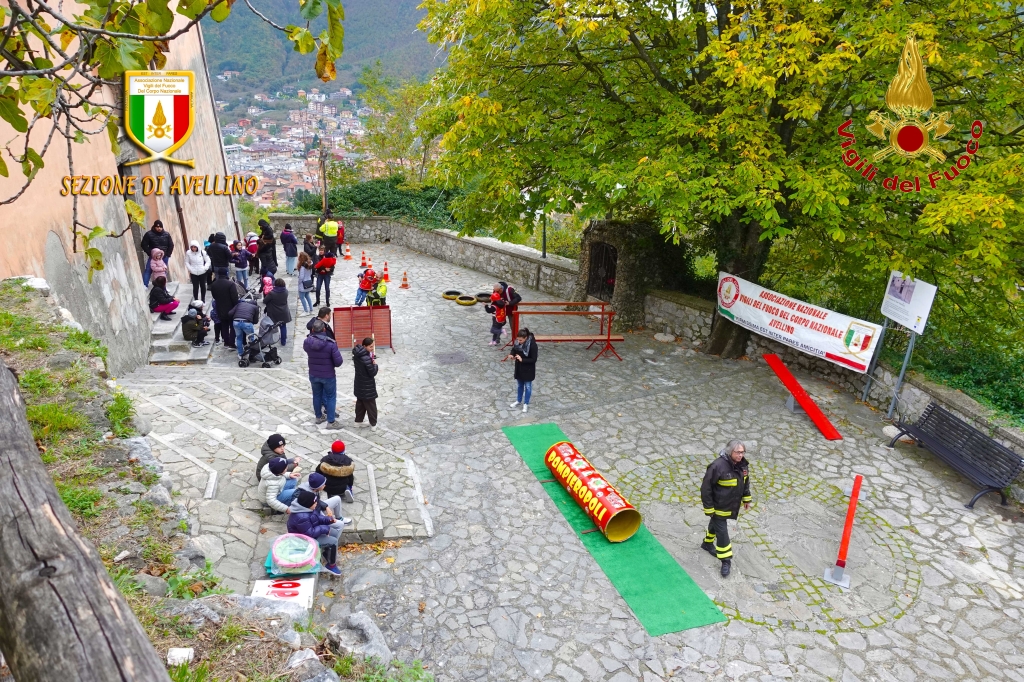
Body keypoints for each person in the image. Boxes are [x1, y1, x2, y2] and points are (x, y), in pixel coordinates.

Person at [700, 440, 752, 578]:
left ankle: (707, 543)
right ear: (730, 452)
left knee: (715, 526)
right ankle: (726, 561)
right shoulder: (717, 466)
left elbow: (745, 483)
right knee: (722, 533)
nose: (741, 455)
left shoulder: (743, 466)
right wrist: (709, 508)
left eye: (742, 452)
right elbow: (706, 488)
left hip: (730, 506)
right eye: (738, 452)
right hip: (717, 507)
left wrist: (747, 498)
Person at [287, 489, 342, 575]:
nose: (317, 504)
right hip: (303, 540)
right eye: (315, 502)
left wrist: (329, 520)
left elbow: (317, 518)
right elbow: (310, 533)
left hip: (310, 532)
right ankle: (331, 565)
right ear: (309, 504)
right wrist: (325, 529)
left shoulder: (307, 509)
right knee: (333, 542)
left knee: (334, 533)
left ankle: (327, 553)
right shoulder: (301, 517)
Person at [304, 319, 344, 429]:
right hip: (328, 375)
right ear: (324, 329)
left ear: (312, 329)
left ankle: (318, 416)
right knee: (331, 397)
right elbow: (338, 362)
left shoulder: (307, 342)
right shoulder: (330, 344)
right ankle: (331, 422)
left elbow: (307, 350)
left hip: (313, 373)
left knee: (317, 395)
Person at [507, 327, 537, 413]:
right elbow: (514, 349)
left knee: (528, 387)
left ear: (525, 338)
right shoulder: (517, 342)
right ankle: (518, 400)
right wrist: (511, 355)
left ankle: (526, 403)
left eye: (520, 340)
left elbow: (534, 359)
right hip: (519, 368)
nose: (518, 342)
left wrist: (522, 359)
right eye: (518, 340)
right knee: (520, 385)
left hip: (528, 369)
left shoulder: (533, 345)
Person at [352, 337, 378, 430]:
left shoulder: (357, 355)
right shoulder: (366, 359)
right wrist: (375, 365)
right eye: (371, 347)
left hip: (359, 384)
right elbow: (372, 373)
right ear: (364, 346)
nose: (372, 348)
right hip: (367, 385)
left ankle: (358, 422)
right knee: (371, 405)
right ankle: (373, 424)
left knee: (360, 404)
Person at [210, 268, 239, 348]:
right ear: (226, 273)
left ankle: (226, 342)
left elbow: (214, 296)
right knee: (232, 327)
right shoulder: (230, 284)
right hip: (231, 309)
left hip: (220, 308)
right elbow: (234, 297)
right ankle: (231, 343)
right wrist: (236, 307)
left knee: (224, 326)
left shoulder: (214, 284)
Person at [141, 220, 173, 286]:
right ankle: (145, 285)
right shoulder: (149, 234)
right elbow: (143, 244)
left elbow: (171, 245)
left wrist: (168, 255)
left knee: (163, 272)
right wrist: (150, 253)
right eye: (157, 227)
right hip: (153, 257)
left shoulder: (166, 234)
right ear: (154, 227)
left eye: (160, 227)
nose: (159, 228)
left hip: (164, 257)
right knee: (148, 270)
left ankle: (163, 287)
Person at [264, 277, 293, 346]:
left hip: (274, 312)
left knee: (271, 327)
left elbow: (265, 301)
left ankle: (270, 341)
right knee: (283, 326)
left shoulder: (272, 293)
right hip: (283, 312)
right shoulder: (286, 291)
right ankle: (283, 341)